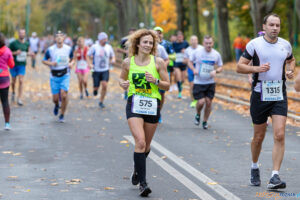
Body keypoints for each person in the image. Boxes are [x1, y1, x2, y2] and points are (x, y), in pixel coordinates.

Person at [237, 14, 295, 190]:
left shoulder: (285, 44)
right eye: (271, 25)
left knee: (279, 134)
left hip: (278, 94)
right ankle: (254, 166)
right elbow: (240, 66)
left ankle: (274, 176)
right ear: (265, 26)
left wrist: (290, 70)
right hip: (259, 94)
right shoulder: (254, 45)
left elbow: (291, 60)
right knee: (259, 137)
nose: (275, 28)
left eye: (277, 25)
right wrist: (256, 69)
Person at [119, 29, 169, 197]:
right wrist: (123, 84)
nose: (148, 45)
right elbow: (121, 78)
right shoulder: (128, 62)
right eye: (145, 42)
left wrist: (155, 81)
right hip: (134, 104)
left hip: (152, 105)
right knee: (140, 142)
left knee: (146, 146)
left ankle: (137, 169)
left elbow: (167, 85)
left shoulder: (158, 62)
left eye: (151, 42)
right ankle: (143, 183)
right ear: (138, 44)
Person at [188, 35, 223, 129]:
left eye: (210, 43)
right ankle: (198, 114)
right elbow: (189, 62)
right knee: (201, 102)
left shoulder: (216, 54)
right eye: (206, 43)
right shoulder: (197, 52)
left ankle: (205, 121)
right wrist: (193, 69)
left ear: (213, 43)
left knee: (208, 102)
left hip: (210, 82)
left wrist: (216, 71)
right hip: (199, 82)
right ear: (203, 43)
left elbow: (220, 66)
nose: (208, 45)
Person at [42, 31, 73, 122]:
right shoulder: (51, 49)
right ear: (55, 39)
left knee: (64, 95)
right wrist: (51, 63)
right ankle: (56, 105)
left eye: (61, 36)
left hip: (65, 74)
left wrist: (71, 64)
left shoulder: (68, 49)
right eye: (57, 36)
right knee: (55, 99)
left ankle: (62, 115)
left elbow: (72, 59)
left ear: (64, 38)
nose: (59, 38)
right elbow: (44, 60)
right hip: (54, 76)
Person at [87, 32, 115, 108]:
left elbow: (113, 56)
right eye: (104, 39)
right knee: (96, 87)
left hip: (105, 69)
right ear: (100, 39)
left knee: (104, 85)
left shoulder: (109, 47)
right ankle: (95, 89)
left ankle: (101, 101)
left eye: (106, 38)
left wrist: (113, 60)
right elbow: (88, 55)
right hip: (96, 70)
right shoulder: (94, 47)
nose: (106, 40)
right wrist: (90, 64)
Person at [9, 29, 30, 106]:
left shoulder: (27, 44)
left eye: (23, 33)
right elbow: (8, 52)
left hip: (22, 65)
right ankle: (13, 92)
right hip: (13, 65)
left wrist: (30, 54)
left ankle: (19, 98)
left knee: (21, 81)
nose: (22, 34)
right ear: (18, 34)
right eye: (20, 33)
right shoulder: (13, 43)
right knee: (13, 81)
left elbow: (27, 52)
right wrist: (15, 53)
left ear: (25, 34)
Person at [154, 27, 170, 123]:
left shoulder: (161, 48)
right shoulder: (145, 47)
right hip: (149, 74)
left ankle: (159, 112)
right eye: (156, 33)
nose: (157, 35)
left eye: (159, 33)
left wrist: (164, 65)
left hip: (161, 74)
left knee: (161, 94)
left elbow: (167, 59)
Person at [0, 33, 15, 130]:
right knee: (5, 101)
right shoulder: (7, 51)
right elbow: (12, 65)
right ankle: (7, 124)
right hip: (4, 79)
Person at [184, 35, 203, 108]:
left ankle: (200, 98)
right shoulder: (187, 50)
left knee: (200, 84)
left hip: (199, 67)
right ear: (190, 41)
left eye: (195, 40)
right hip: (190, 67)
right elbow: (185, 60)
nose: (194, 41)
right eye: (192, 40)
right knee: (192, 85)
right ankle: (193, 100)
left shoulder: (201, 48)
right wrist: (188, 61)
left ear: (197, 41)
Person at [173, 31, 189, 98]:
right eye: (178, 37)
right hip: (176, 63)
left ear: (183, 37)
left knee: (183, 79)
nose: (179, 38)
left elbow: (190, 52)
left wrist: (185, 51)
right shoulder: (174, 44)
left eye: (181, 37)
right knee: (178, 78)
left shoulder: (186, 43)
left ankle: (180, 87)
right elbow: (171, 52)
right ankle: (179, 93)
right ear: (177, 37)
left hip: (183, 63)